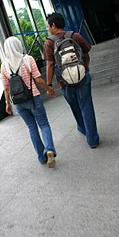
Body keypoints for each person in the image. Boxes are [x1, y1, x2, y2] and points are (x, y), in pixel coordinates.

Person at [43, 12, 99, 148]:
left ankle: (82, 128)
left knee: (75, 106)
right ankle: (93, 140)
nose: (48, 28)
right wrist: (85, 69)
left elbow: (50, 64)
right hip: (82, 77)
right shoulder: (75, 36)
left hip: (64, 82)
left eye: (48, 26)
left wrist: (49, 84)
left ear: (53, 25)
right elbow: (86, 54)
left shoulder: (49, 42)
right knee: (87, 106)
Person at [1, 36, 57, 168]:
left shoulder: (4, 66)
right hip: (33, 98)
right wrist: (49, 88)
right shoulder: (27, 59)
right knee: (43, 124)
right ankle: (49, 149)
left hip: (19, 102)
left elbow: (6, 87)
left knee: (32, 128)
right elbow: (38, 80)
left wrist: (7, 104)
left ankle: (41, 157)